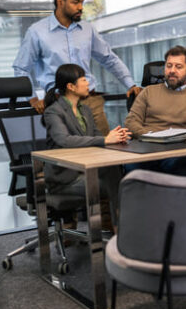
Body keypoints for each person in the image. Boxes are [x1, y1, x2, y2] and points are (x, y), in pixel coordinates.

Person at [13, 0, 141, 135]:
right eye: (75, 2)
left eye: (82, 2)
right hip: (60, 103)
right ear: (60, 2)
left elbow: (109, 59)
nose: (81, 7)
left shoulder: (87, 30)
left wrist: (130, 84)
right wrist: (32, 99)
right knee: (71, 153)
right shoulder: (37, 32)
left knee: (107, 150)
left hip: (91, 101)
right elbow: (21, 68)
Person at [42, 64, 131, 229]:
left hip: (85, 171)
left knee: (116, 174)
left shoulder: (86, 110)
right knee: (118, 184)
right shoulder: (54, 112)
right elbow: (65, 140)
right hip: (64, 179)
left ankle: (120, 229)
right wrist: (104, 140)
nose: (88, 83)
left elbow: (96, 137)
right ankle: (121, 230)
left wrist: (115, 137)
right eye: (83, 79)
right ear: (71, 87)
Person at [124, 45, 186, 176]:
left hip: (178, 151)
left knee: (181, 163)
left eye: (178, 67)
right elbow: (131, 122)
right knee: (131, 165)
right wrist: (151, 136)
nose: (172, 70)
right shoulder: (148, 92)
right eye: (169, 66)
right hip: (147, 149)